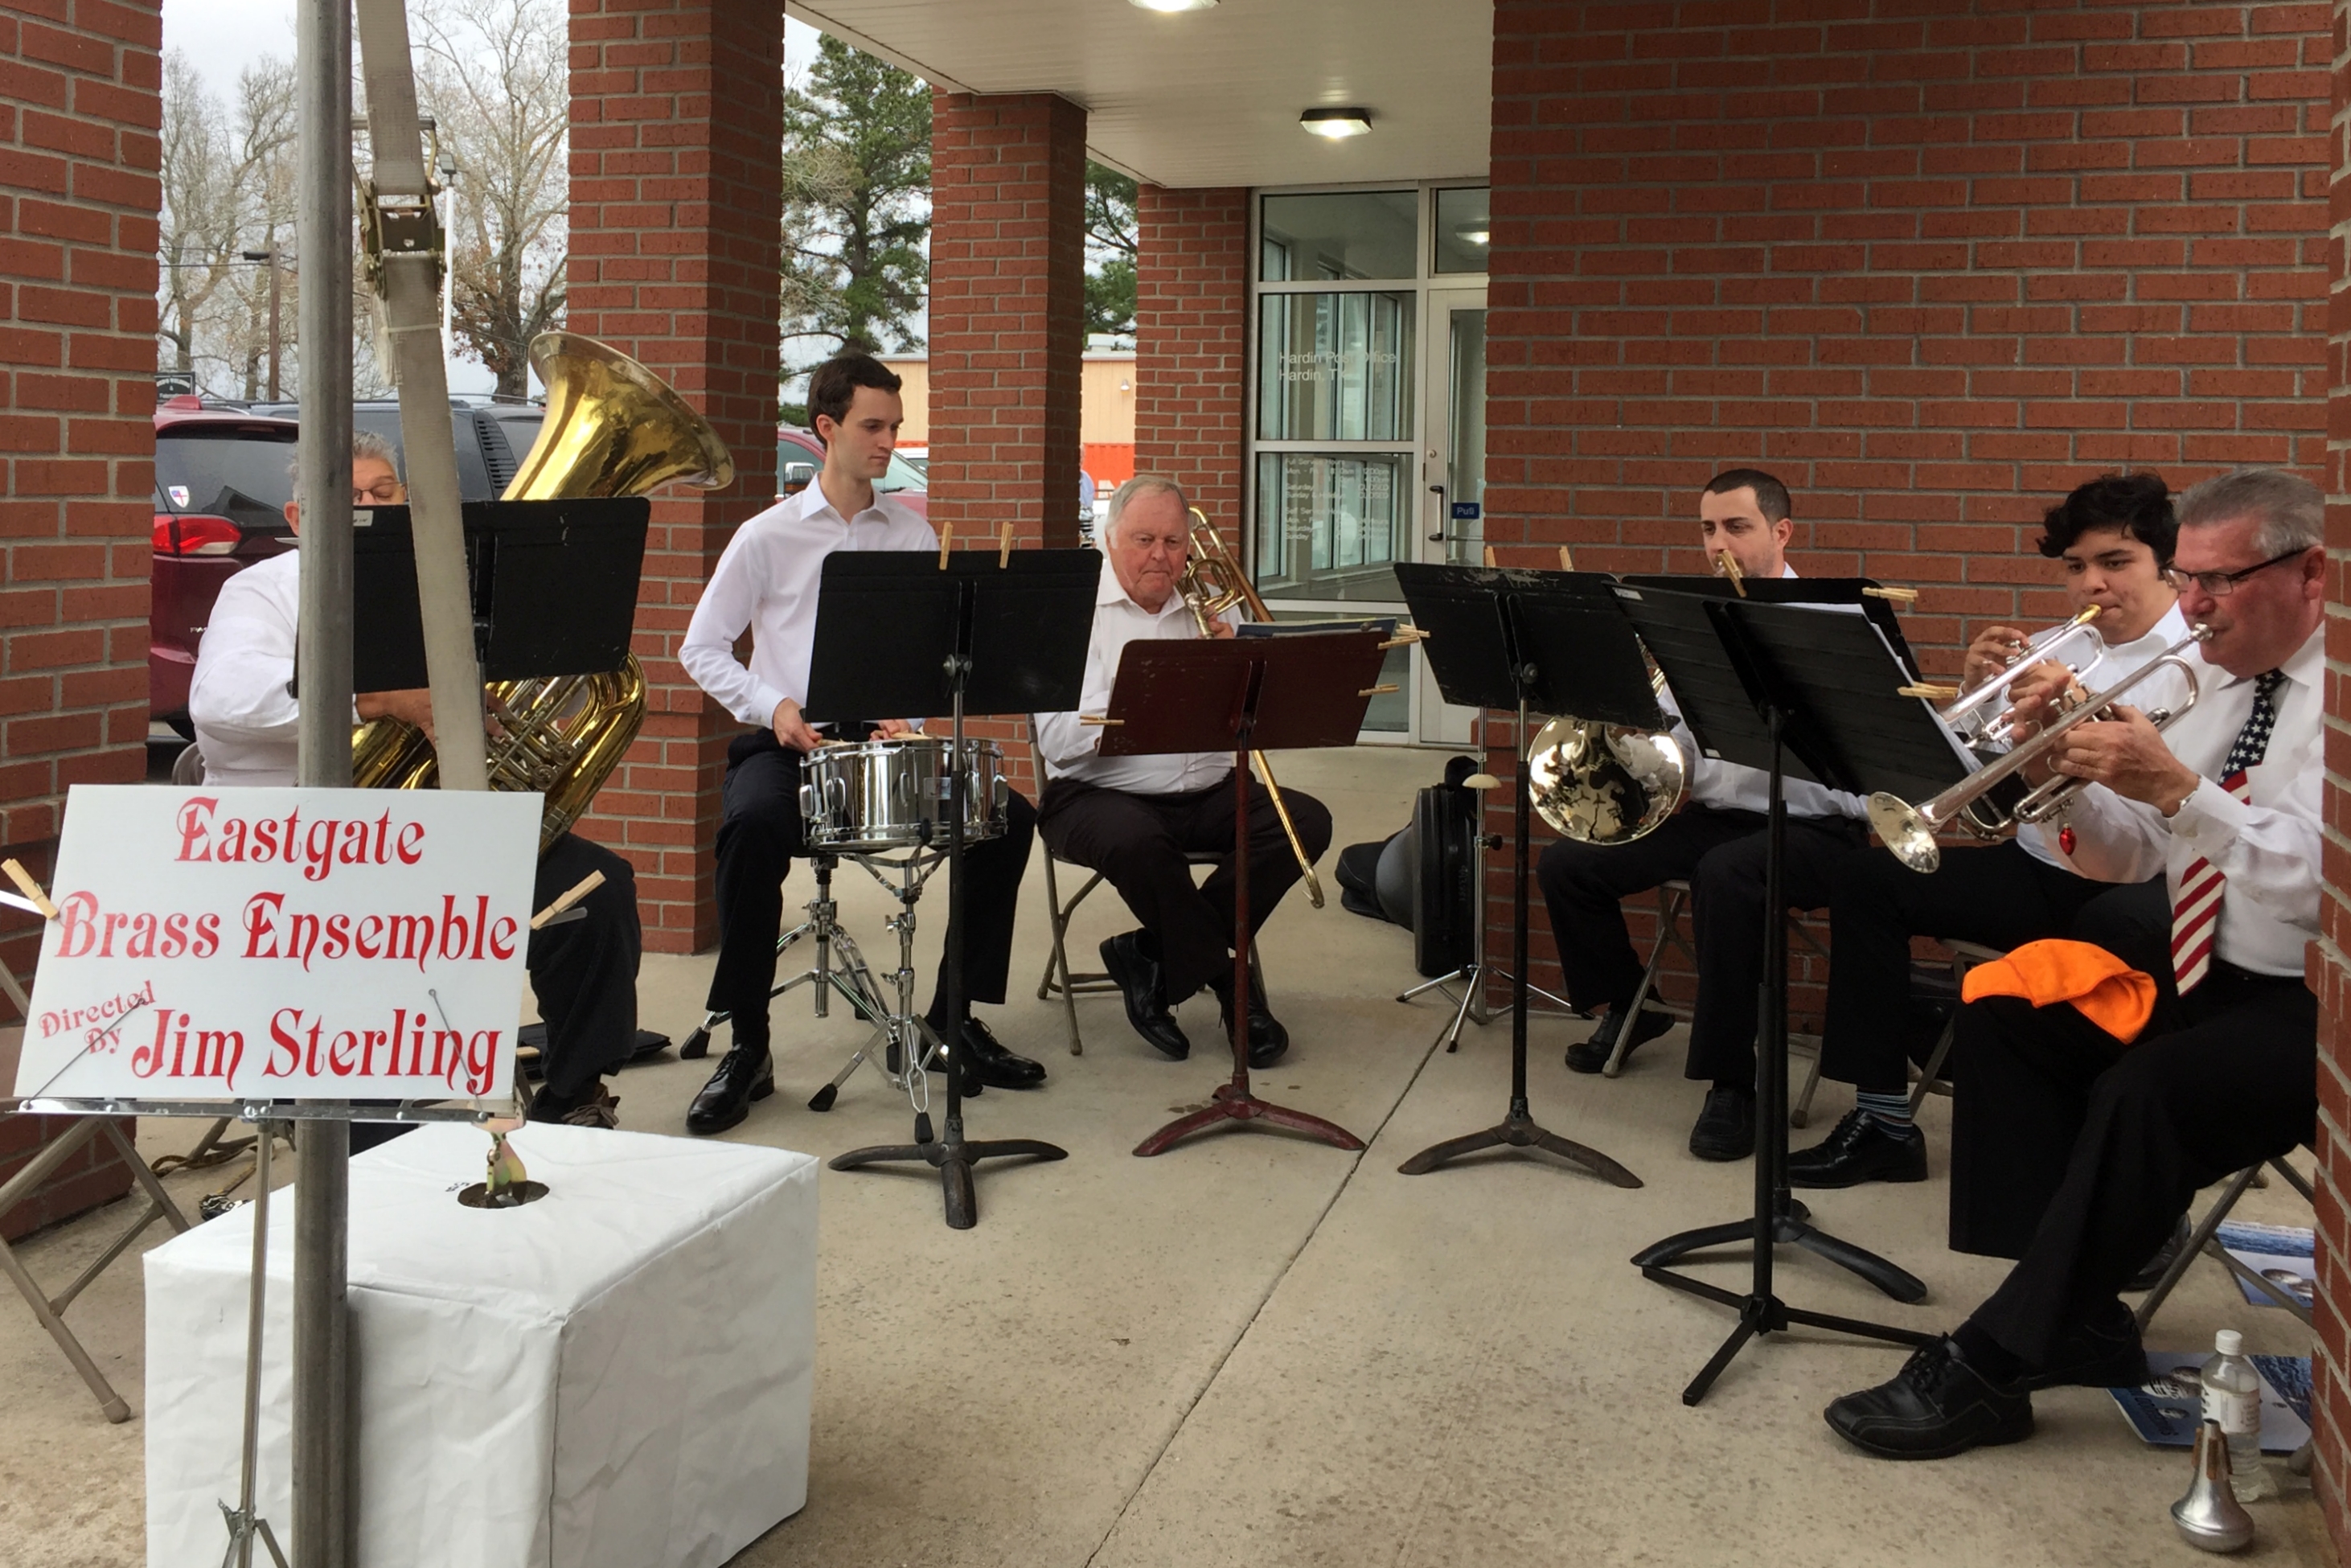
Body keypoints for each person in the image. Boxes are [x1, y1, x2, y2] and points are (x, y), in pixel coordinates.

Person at [1824, 467, 2323, 1459]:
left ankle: (1995, 1365)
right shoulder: (2218, 687)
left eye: (2218, 582)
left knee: (2147, 1090)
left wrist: (2182, 790)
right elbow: (2130, 854)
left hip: (2314, 1006)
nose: (2192, 606)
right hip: (2200, 972)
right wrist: (2068, 772)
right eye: (2185, 579)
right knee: (2005, 1010)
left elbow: (2318, 886)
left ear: (2312, 573)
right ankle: (2077, 1316)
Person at [187, 432, 642, 1127]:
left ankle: (573, 1093)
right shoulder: (262, 592)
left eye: (383, 493)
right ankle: (356, 1130)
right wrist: (377, 701)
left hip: (424, 835)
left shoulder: (439, 588)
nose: (368, 507)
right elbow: (220, 700)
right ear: (300, 519)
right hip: (297, 854)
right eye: (348, 498)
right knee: (372, 955)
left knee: (596, 891)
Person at [678, 351, 1046, 1135]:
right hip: (787, 744)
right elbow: (701, 647)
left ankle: (951, 1020)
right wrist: (769, 702)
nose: (887, 442)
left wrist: (908, 716)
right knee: (748, 826)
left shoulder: (911, 537)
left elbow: (923, 659)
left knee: (1007, 820)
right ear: (827, 429)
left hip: (880, 745)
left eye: (894, 427)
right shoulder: (764, 536)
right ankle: (748, 1043)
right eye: (872, 427)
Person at [1788, 474, 2190, 1188]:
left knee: (2117, 933)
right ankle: (1882, 1122)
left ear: (2166, 562)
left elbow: (2149, 842)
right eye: (2075, 567)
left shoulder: (2194, 665)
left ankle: (2111, 1168)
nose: (2091, 583)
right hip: (2039, 868)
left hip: (2136, 887)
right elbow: (1955, 782)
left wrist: (2069, 741)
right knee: (1867, 878)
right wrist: (1967, 705)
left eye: (2115, 562)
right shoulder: (2046, 650)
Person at [1537, 469, 1867, 1160]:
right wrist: (1633, 728)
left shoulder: (1839, 624)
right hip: (1720, 819)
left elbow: (1871, 767)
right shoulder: (1698, 622)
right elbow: (1681, 747)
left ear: (1782, 533)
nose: (1718, 545)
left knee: (1726, 875)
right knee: (1570, 862)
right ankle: (1633, 1007)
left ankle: (1733, 1083)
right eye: (1709, 529)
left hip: (1819, 830)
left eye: (1737, 528)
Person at [1032, 475, 1333, 1066]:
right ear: (1109, 539)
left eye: (1174, 542)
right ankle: (1233, 988)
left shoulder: (1213, 612)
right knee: (1141, 843)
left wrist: (1242, 662)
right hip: (1095, 795)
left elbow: (1268, 721)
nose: (1160, 556)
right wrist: (1144, 697)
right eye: (1144, 539)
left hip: (1208, 790)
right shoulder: (1072, 613)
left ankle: (1151, 955)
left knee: (1304, 822)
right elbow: (1060, 743)